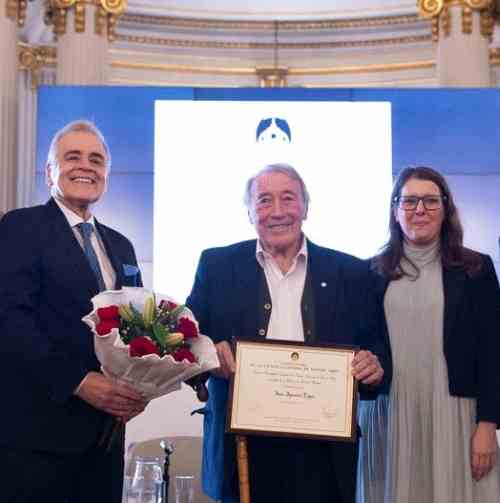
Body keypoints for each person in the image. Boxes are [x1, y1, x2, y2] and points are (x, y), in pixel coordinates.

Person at [186, 163, 392, 503]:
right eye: (264, 200)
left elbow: (380, 356)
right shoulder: (216, 266)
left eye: (288, 198)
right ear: (249, 211)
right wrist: (209, 354)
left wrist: (373, 367)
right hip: (241, 451)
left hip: (324, 456)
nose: (277, 211)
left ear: (305, 207)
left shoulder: (352, 272)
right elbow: (185, 341)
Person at [0, 120, 147, 502]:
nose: (86, 166)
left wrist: (142, 387)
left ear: (106, 176)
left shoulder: (122, 246)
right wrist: (78, 382)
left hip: (105, 440)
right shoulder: (19, 227)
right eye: (73, 157)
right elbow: (10, 319)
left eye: (96, 160)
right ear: (50, 172)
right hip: (36, 441)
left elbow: (136, 328)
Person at [356, 166, 500, 503]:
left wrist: (488, 424)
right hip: (388, 414)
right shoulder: (369, 272)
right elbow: (360, 345)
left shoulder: (476, 269)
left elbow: (493, 351)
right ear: (395, 210)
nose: (419, 209)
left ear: (446, 209)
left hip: (457, 414)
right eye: (409, 201)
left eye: (431, 201)